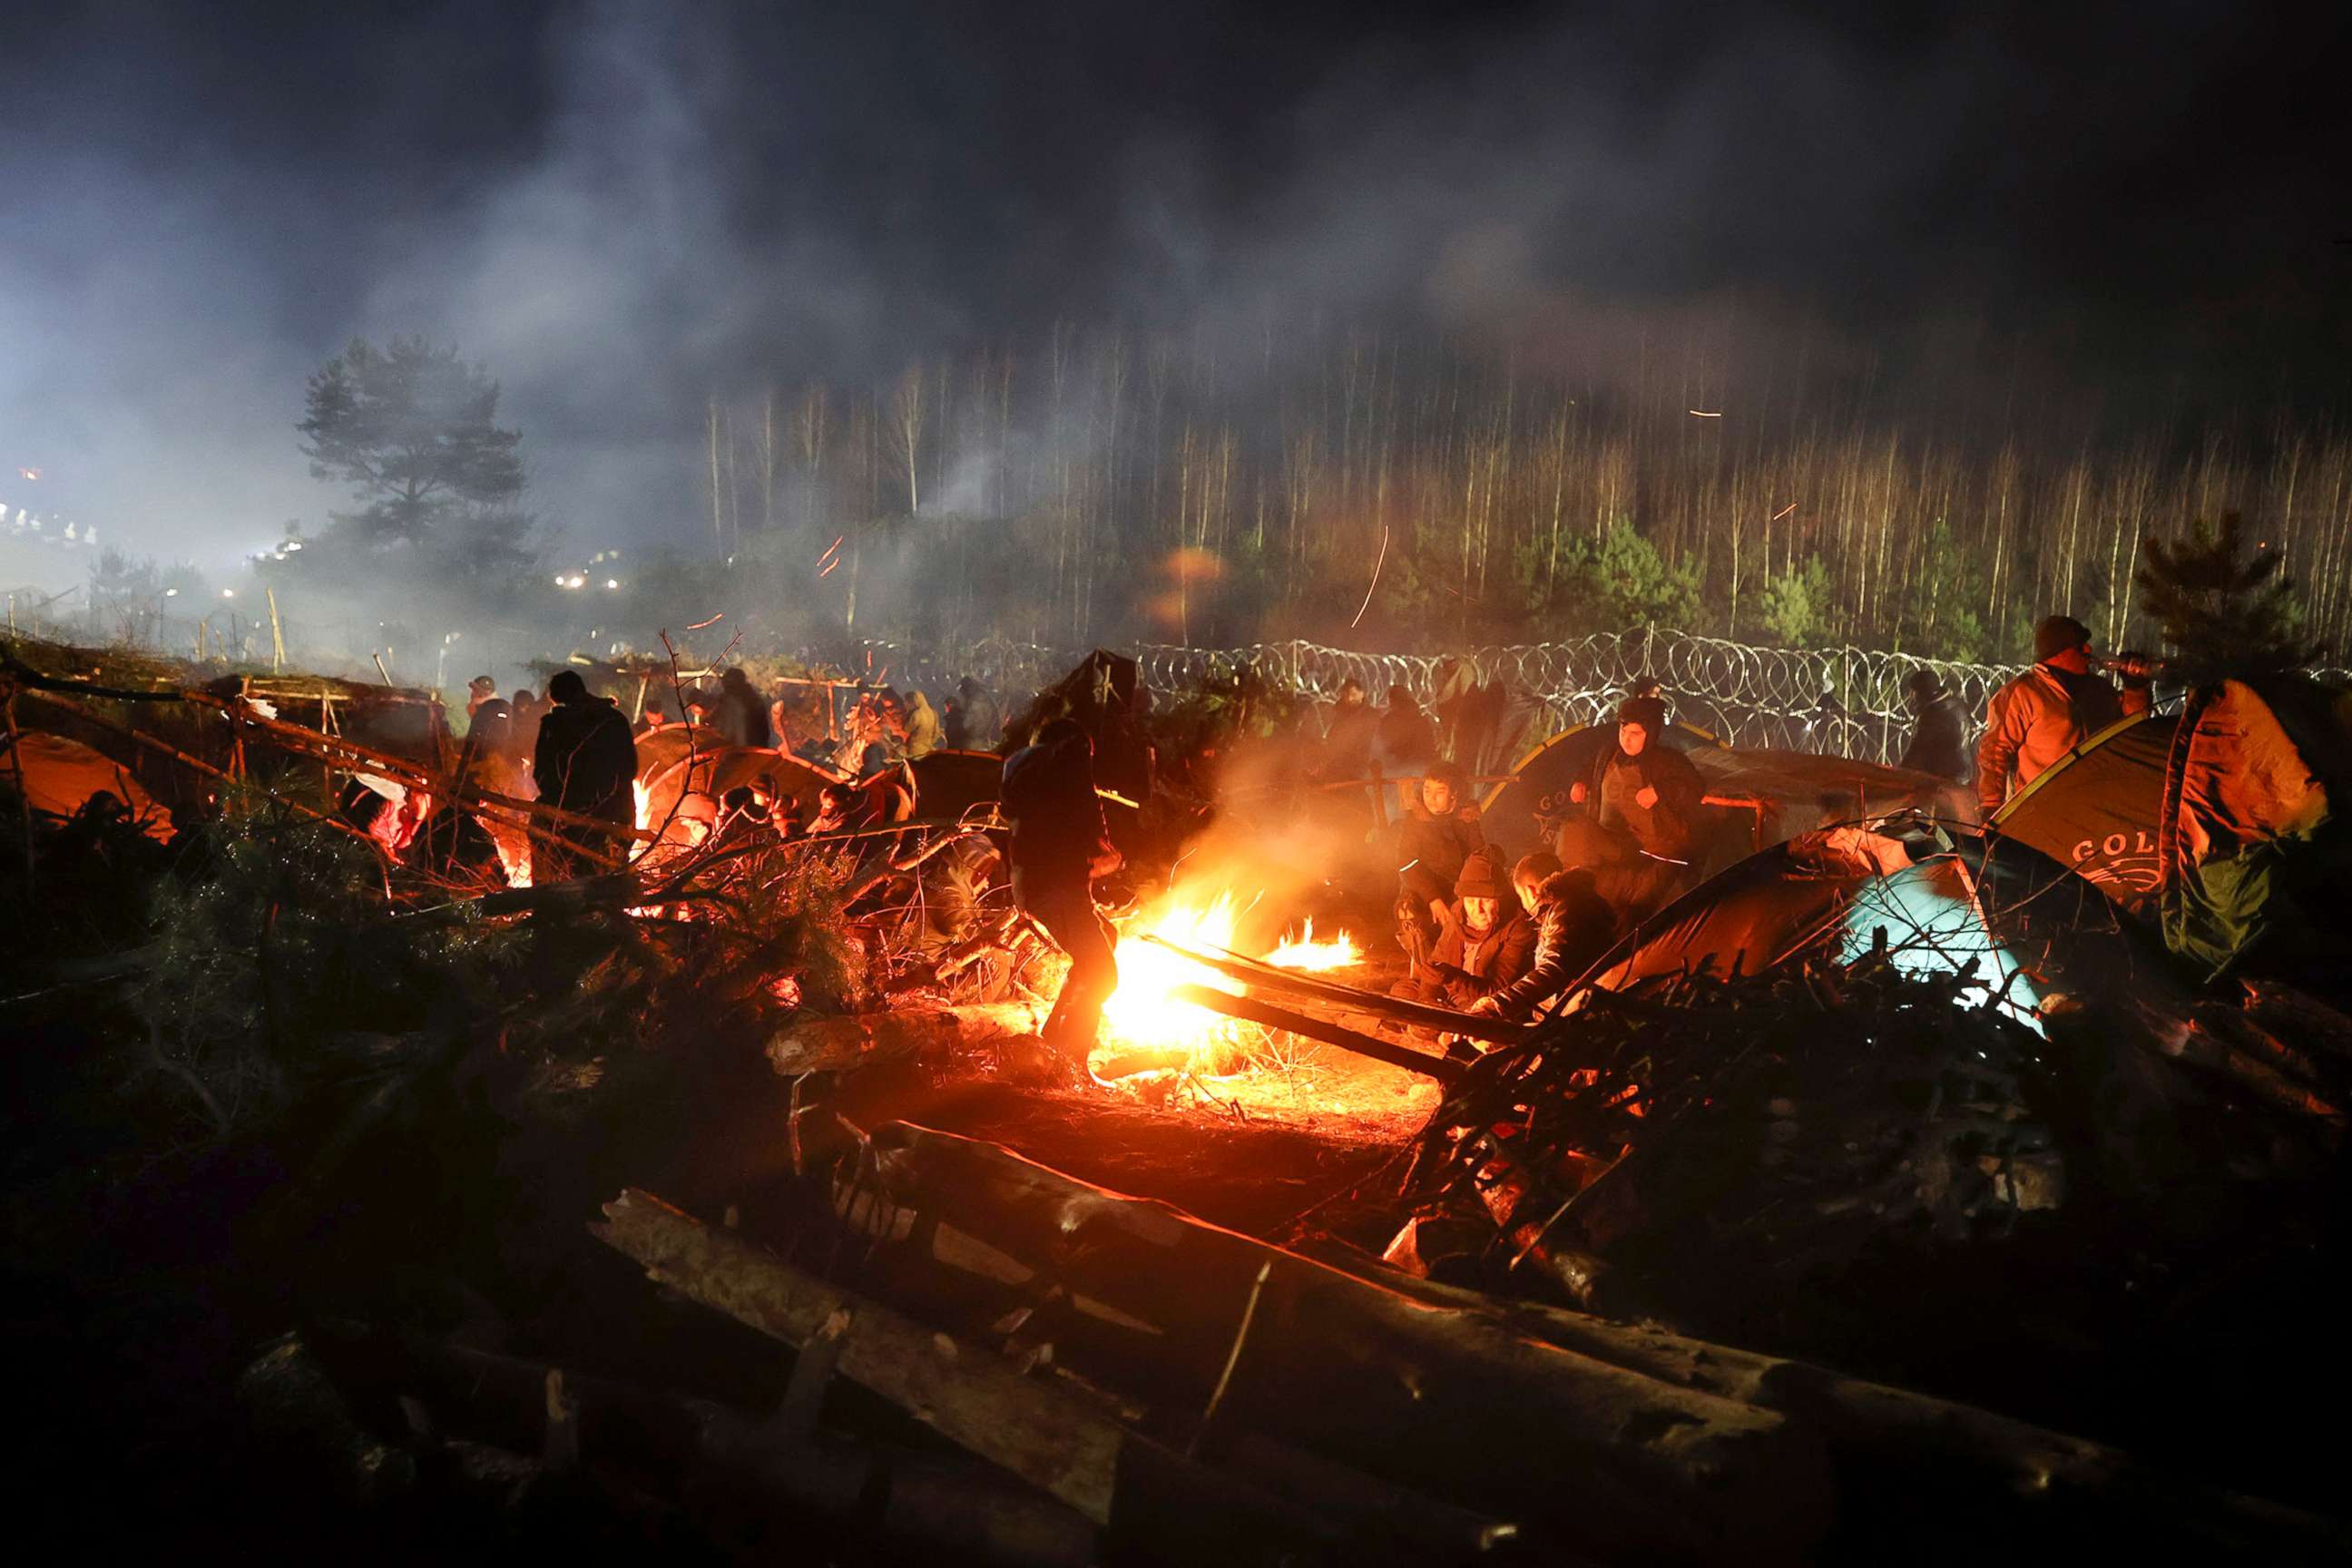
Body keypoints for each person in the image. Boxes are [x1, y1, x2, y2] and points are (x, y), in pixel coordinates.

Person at [1000, 716, 1122, 1073]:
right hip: (1059, 888)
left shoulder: (1023, 772)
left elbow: (1047, 835)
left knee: (1107, 938)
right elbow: (1077, 836)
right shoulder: (1069, 759)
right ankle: (1071, 1065)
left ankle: (1052, 1042)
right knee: (1102, 974)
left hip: (1033, 887)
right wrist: (1099, 861)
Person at [1976, 614, 2151, 818]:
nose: (2088, 650)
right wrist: (1991, 807)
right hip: (2041, 814)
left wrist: (2136, 687)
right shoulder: (2025, 692)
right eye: (2080, 646)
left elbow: (2134, 728)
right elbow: (1995, 750)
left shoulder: (2100, 690)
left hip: (2096, 810)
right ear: (2057, 652)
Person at [1569, 694, 1709, 917]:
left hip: (1658, 850)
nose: (1627, 739)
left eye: (1635, 733)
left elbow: (1694, 785)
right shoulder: (1608, 753)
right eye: (1623, 732)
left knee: (1640, 905)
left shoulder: (1667, 760)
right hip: (1615, 842)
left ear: (1650, 734)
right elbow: (1591, 767)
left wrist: (1659, 791)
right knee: (1573, 835)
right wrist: (1581, 781)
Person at [1469, 853, 1620, 1021]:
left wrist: (1498, 1003)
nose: (1524, 906)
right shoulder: (1571, 904)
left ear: (1531, 891)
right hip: (1574, 1014)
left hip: (1579, 1019)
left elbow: (1553, 970)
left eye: (1521, 897)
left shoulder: (1565, 910)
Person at [1391, 851, 1535, 1014]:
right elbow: (1435, 963)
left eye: (1486, 900)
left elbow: (1498, 990)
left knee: (1486, 1013)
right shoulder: (1458, 914)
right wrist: (1428, 1000)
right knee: (1402, 990)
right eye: (1471, 901)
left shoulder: (1517, 927)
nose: (1477, 910)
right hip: (1451, 994)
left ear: (1499, 899)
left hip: (1483, 1002)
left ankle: (1442, 1028)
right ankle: (1438, 1026)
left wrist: (1451, 978)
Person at [530, 670, 638, 883]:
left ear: (556, 697)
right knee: (609, 876)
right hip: (617, 812)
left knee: (556, 858)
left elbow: (543, 773)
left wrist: (563, 804)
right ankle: (611, 910)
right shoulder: (614, 719)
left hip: (569, 816)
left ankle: (544, 902)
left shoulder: (555, 725)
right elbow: (630, 768)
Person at [1396, 760, 1485, 950]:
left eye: (1440, 791)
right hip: (1425, 894)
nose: (1431, 797)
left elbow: (1479, 857)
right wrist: (1433, 899)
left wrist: (1468, 895)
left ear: (1455, 794)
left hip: (1461, 890)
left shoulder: (1467, 818)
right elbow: (1406, 865)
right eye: (1427, 790)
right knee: (1409, 914)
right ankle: (1425, 970)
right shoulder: (1416, 821)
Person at [1897, 670, 1971, 783]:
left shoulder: (1932, 715)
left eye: (1914, 692)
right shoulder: (1958, 705)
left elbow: (1917, 752)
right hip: (1962, 775)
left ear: (1923, 692)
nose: (1911, 696)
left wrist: (1898, 775)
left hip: (1940, 780)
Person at [711, 666, 773, 750]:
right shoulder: (752, 699)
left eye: (726, 683)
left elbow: (730, 733)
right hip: (752, 750)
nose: (723, 686)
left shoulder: (739, 702)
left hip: (744, 752)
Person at [943, 676, 1002, 751]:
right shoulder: (976, 700)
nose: (961, 694)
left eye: (962, 691)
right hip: (977, 742)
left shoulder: (978, 701)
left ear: (967, 689)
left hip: (978, 744)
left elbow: (974, 728)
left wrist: (958, 727)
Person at [902, 689, 944, 760]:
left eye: (907, 702)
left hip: (915, 750)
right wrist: (929, 742)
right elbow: (937, 732)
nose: (905, 704)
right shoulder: (933, 713)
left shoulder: (917, 714)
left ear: (914, 702)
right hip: (928, 750)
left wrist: (908, 714)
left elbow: (906, 729)